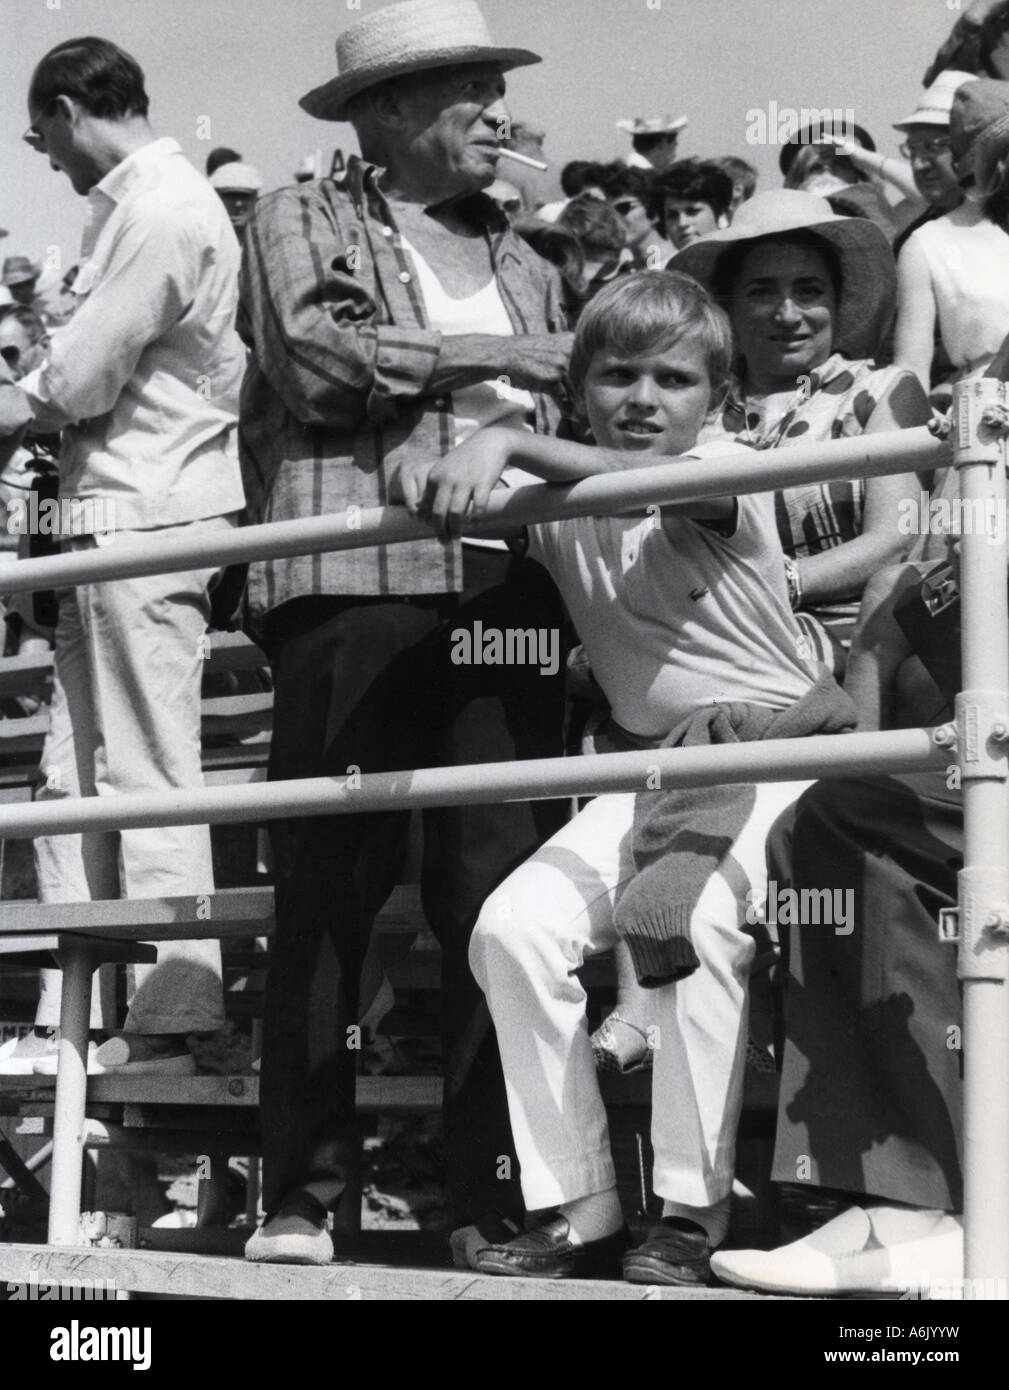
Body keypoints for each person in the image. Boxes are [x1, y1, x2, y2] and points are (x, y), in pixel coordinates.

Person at [413, 269, 849, 1283]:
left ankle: (691, 1210)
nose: (644, 398)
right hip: (650, 769)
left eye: (673, 378)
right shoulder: (554, 501)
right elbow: (431, 497)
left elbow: (655, 483)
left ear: (716, 396)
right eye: (616, 375)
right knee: (509, 929)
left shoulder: (726, 464)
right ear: (579, 386)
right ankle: (580, 1203)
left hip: (778, 755)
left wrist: (506, 437)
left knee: (691, 918)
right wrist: (422, 455)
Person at [237, 0, 572, 1267]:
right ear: (385, 113)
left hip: (506, 589)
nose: (498, 111)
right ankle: (299, 1197)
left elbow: (584, 388)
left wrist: (528, 366)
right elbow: (319, 363)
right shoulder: (298, 213)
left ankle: (487, 1202)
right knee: (328, 897)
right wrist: (499, 355)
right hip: (351, 583)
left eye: (496, 86)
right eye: (468, 90)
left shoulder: (531, 252)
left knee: (496, 900)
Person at [592, 192, 930, 1079]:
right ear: (731, 311)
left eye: (809, 290)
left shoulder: (875, 390)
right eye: (764, 292)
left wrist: (786, 581)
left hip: (856, 640)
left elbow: (894, 533)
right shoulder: (701, 411)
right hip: (727, 656)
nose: (789, 313)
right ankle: (644, 993)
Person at [0, 36, 244, 1076]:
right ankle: (82, 1009)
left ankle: (175, 1008)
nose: (43, 157)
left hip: (147, 513)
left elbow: (78, 380)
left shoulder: (163, 208)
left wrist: (21, 400)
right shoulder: (146, 206)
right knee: (76, 773)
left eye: (39, 136)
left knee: (145, 763)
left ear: (64, 110)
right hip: (109, 516)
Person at [895, 78, 1009, 397]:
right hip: (985, 414)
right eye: (913, 149)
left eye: (935, 145)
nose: (920, 162)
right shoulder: (924, 243)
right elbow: (909, 371)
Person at [651, 158, 733, 253]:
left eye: (693, 211)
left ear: (720, 214)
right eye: (672, 215)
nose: (682, 223)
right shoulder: (663, 266)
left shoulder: (747, 263)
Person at [209, 160, 264, 238]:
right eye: (230, 196)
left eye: (245, 196)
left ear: (256, 199)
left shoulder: (266, 240)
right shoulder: (205, 239)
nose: (238, 204)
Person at [616, 114, 687, 172]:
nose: (676, 144)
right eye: (673, 140)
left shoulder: (627, 173)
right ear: (661, 144)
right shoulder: (642, 180)